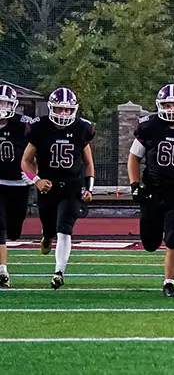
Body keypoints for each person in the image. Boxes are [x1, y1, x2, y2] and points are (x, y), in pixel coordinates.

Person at [129, 84, 174, 297]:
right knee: (150, 243)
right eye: (167, 104)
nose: (171, 109)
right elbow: (134, 157)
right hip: (153, 191)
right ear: (159, 106)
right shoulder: (149, 126)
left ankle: (169, 282)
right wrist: (135, 185)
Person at [20, 88, 95, 289]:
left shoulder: (82, 128)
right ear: (51, 108)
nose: (63, 114)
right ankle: (46, 234)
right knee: (51, 227)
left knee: (65, 228)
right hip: (48, 186)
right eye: (59, 109)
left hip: (72, 186)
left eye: (67, 110)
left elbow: (88, 163)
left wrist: (89, 187)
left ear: (74, 110)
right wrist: (36, 180)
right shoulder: (39, 128)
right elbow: (25, 162)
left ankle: (59, 272)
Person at [0, 84, 31, 288]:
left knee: (14, 230)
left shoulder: (24, 125)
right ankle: (2, 270)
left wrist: (34, 174)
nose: (2, 107)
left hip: (20, 183)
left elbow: (36, 150)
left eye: (6, 103)